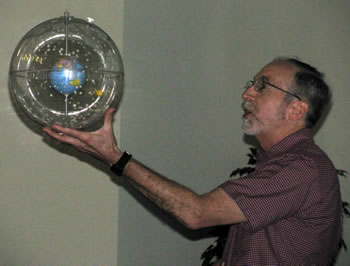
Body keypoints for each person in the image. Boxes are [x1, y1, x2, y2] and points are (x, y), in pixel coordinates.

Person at [43, 57, 342, 265]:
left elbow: (195, 213)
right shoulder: (285, 165)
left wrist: (114, 157)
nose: (246, 93)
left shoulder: (300, 169)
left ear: (296, 110)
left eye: (262, 85)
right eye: (252, 83)